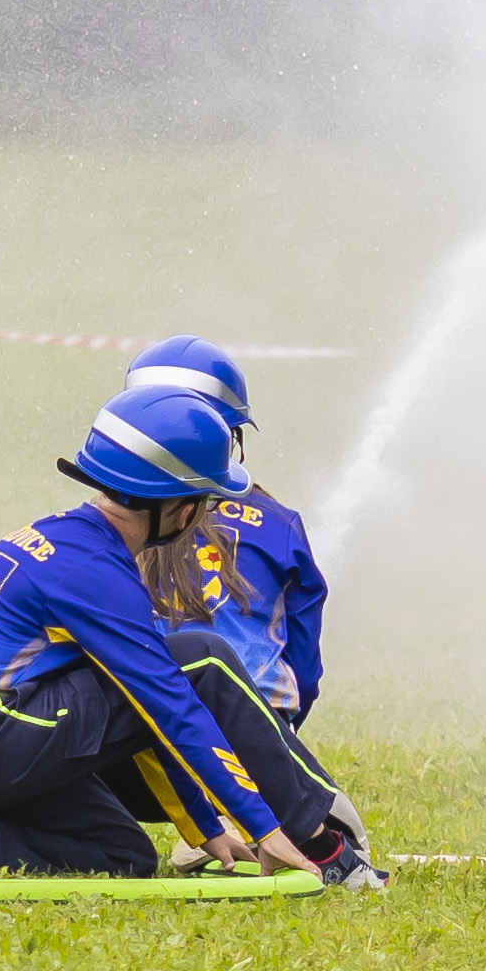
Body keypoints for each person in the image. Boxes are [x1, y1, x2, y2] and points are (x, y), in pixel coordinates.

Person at [0, 372, 351, 880]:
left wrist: (205, 831)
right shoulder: (92, 572)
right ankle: (320, 844)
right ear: (179, 508)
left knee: (125, 858)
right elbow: (169, 704)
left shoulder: (71, 539)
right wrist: (266, 832)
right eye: (204, 502)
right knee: (202, 660)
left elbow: (142, 708)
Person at [128, 332, 361, 872]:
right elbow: (303, 665)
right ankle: (244, 816)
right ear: (230, 437)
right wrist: (281, 743)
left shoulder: (111, 525)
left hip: (146, 738)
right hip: (259, 734)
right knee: (346, 834)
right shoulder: (278, 525)